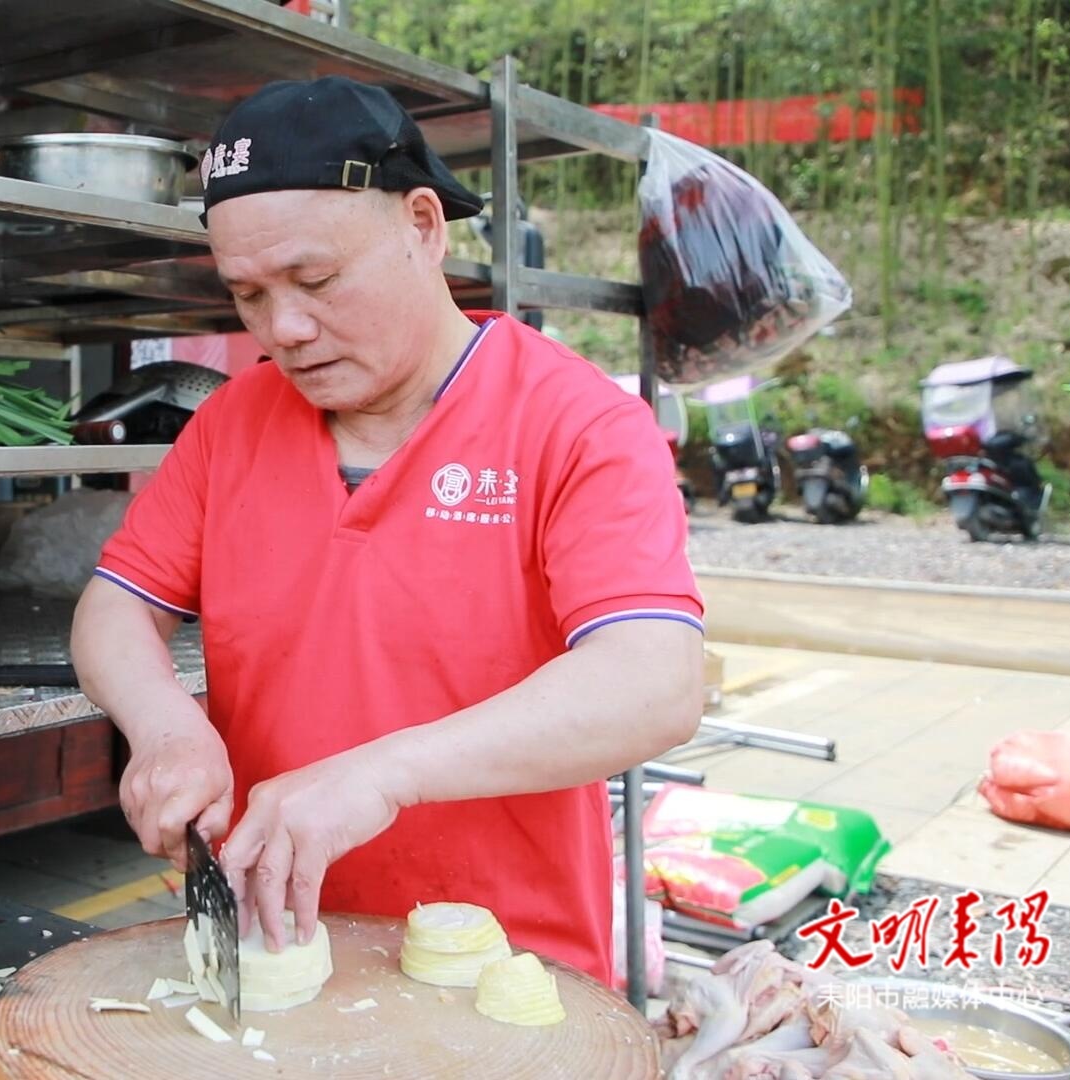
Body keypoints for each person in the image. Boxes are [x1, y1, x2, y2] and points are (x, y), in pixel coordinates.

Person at [69, 76, 705, 983]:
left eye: (317, 280)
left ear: (423, 225)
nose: (286, 328)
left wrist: (382, 775)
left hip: (502, 964)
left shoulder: (575, 422)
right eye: (247, 295)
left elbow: (654, 681)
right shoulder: (233, 422)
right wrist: (165, 727)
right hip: (275, 949)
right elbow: (116, 605)